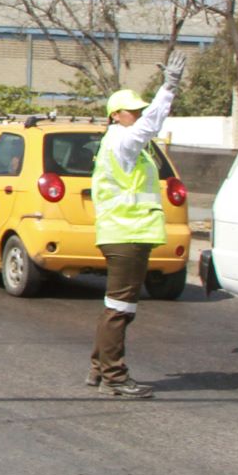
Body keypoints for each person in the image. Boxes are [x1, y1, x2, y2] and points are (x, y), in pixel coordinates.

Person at [86, 52, 187, 400]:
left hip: (125, 233)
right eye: (133, 110)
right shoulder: (122, 141)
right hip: (126, 234)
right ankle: (115, 376)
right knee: (120, 308)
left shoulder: (122, 144)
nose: (139, 115)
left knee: (116, 306)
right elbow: (151, 125)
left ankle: (100, 368)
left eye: (139, 109)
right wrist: (169, 88)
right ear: (115, 115)